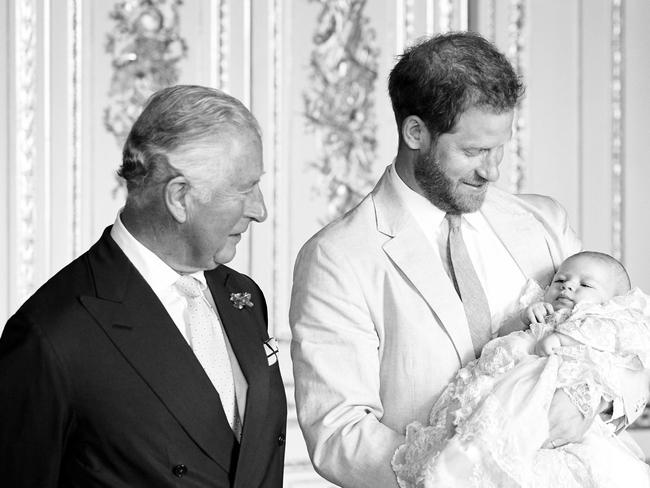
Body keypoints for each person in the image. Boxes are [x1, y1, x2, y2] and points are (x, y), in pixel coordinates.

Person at [289, 32, 636, 488]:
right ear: (416, 132)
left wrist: (592, 403)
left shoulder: (544, 221)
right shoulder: (336, 257)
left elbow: (624, 339)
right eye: (473, 151)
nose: (492, 171)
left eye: (500, 148)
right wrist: (470, 468)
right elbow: (339, 435)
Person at [0, 85, 287, 487]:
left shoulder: (243, 296)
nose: (260, 210)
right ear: (179, 197)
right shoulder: (52, 335)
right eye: (244, 189)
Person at [392, 251, 650, 487]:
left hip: (548, 388)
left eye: (585, 285)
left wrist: (561, 339)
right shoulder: (541, 309)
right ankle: (464, 462)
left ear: (612, 302)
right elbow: (500, 335)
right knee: (488, 424)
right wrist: (524, 317)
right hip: (507, 381)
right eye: (561, 280)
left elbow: (611, 349)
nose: (568, 286)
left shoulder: (602, 320)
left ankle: (474, 465)